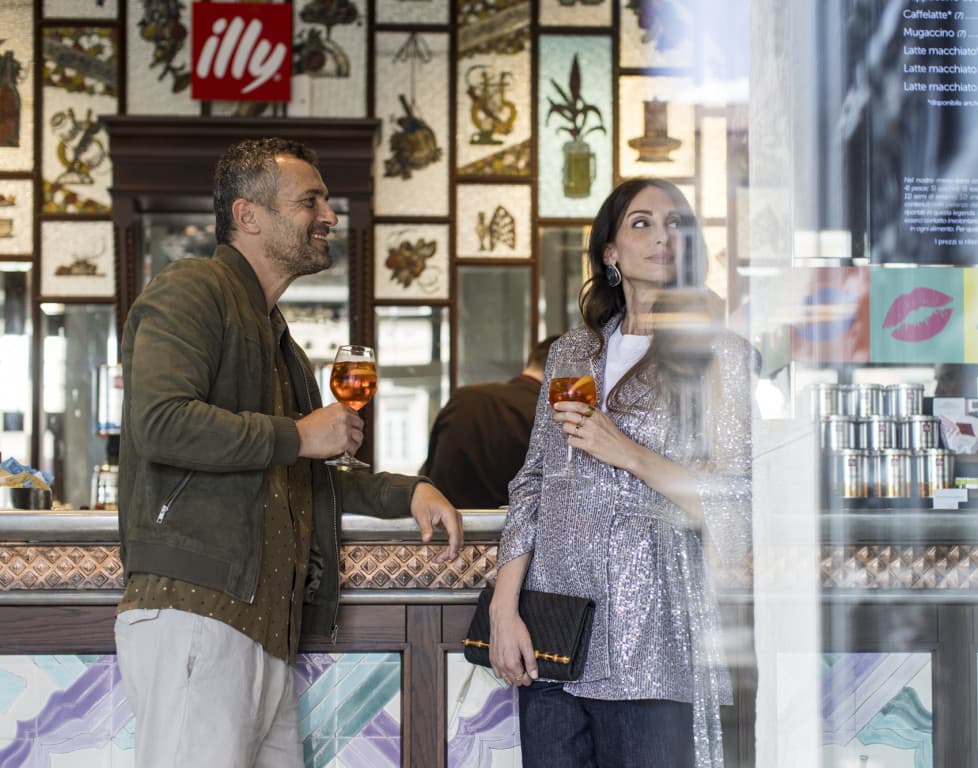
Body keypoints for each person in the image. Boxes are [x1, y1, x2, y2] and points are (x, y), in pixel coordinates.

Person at [114, 137, 463, 767]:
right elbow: (160, 423)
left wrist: (407, 490)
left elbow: (306, 475)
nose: (329, 215)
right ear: (247, 216)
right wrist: (300, 434)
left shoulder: (279, 340)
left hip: (261, 629)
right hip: (197, 614)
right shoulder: (193, 288)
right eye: (311, 200)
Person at [487, 178, 755, 767]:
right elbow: (533, 483)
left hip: (654, 631)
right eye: (642, 223)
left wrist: (628, 451)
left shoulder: (720, 355)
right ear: (609, 251)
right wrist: (504, 611)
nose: (663, 235)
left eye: (677, 224)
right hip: (555, 628)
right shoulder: (570, 353)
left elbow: (738, 497)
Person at [421, 335, 560, 508]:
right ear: (565, 368)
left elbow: (427, 474)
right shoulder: (551, 416)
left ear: (532, 361)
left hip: (443, 528)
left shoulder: (464, 398)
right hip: (508, 531)